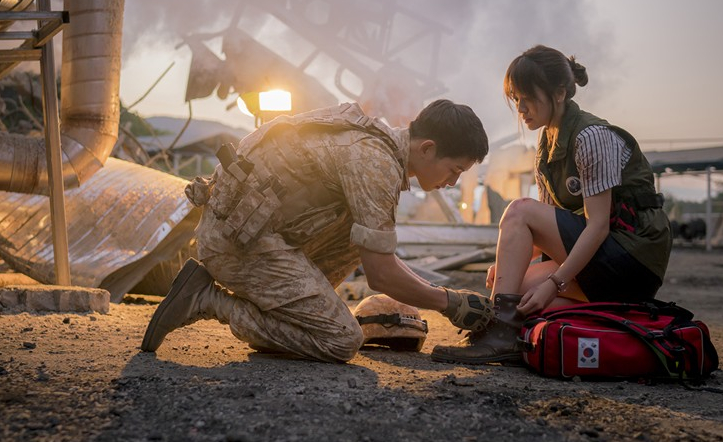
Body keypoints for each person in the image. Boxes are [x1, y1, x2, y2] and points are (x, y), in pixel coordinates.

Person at [141, 99, 494, 363]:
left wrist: (444, 295)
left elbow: (378, 256)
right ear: (427, 148)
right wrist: (449, 302)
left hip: (254, 233)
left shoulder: (377, 145)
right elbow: (381, 275)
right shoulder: (374, 162)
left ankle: (284, 305)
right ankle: (207, 299)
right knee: (339, 339)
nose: (452, 183)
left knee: (367, 235)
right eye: (454, 170)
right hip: (236, 242)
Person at [432, 45, 671, 364]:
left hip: (632, 260)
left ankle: (498, 332)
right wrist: (506, 265)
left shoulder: (591, 137)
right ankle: (510, 334)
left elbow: (597, 226)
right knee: (519, 296)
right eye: (516, 99)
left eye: (527, 97)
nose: (520, 108)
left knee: (519, 210)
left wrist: (555, 282)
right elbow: (546, 230)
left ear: (559, 93)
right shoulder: (547, 144)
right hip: (604, 263)